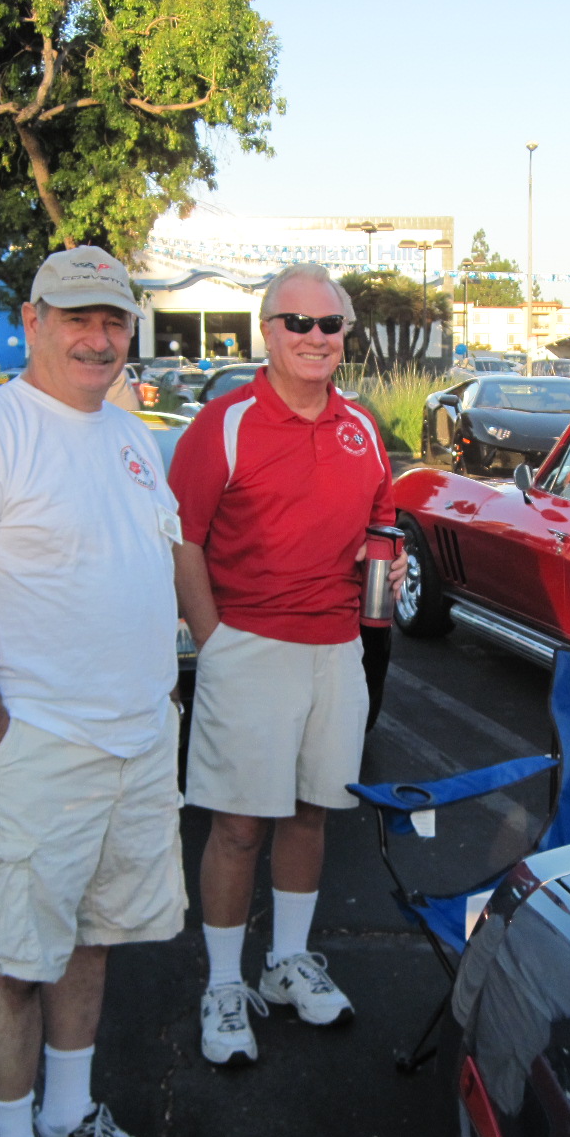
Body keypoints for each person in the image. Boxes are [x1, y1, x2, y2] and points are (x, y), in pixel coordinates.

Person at [0, 246, 185, 1137]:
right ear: (30, 322)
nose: (98, 338)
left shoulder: (128, 436)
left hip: (137, 744)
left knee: (92, 942)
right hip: (38, 749)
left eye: (113, 320)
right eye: (77, 319)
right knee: (17, 962)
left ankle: (70, 1120)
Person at [168, 261, 406, 1067]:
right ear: (266, 332)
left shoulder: (362, 427)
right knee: (237, 828)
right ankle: (225, 984)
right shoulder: (225, 423)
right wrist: (216, 641)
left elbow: (382, 523)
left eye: (328, 325)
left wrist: (390, 568)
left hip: (338, 649)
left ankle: (286, 965)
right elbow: (183, 540)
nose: (314, 337)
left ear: (345, 336)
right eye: (296, 323)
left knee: (311, 813)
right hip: (250, 649)